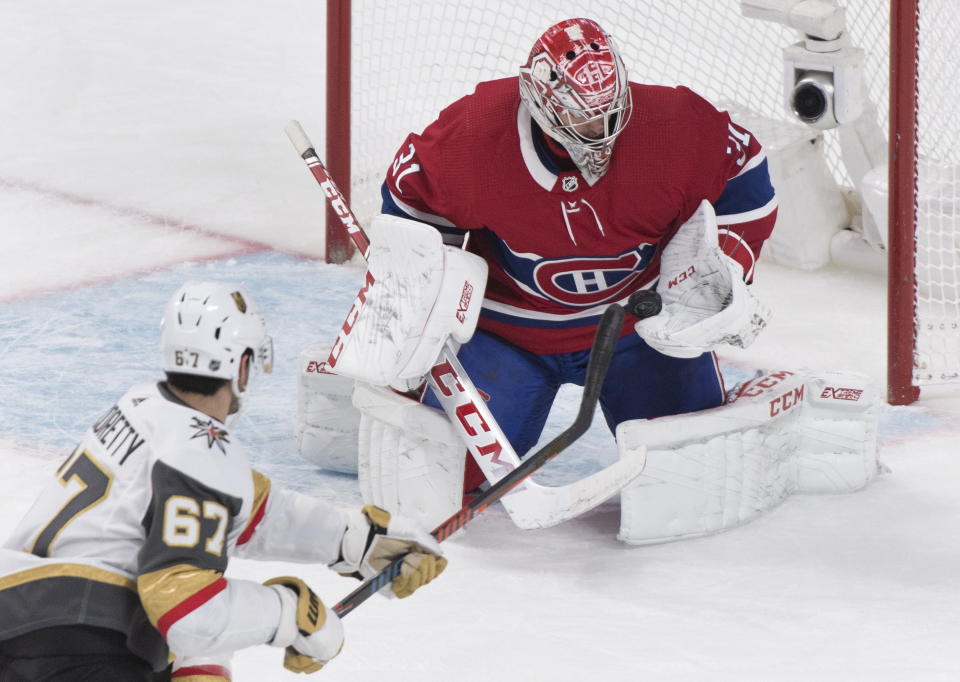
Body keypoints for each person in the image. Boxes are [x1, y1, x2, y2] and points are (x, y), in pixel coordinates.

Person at [378, 17, 778, 495]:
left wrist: (729, 261)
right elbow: (407, 203)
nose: (601, 130)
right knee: (439, 479)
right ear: (539, 100)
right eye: (582, 117)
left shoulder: (671, 124)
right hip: (509, 333)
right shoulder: (472, 137)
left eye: (610, 110)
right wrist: (428, 287)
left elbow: (746, 171)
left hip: (638, 328)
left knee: (694, 481)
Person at [0, 281, 446, 681]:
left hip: (22, 626)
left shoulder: (143, 406)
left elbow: (245, 508)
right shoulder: (200, 447)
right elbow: (184, 608)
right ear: (243, 365)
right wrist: (290, 613)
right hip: (72, 646)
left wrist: (353, 541)